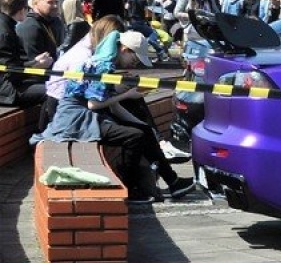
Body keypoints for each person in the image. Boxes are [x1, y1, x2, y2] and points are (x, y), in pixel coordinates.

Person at [35, 27, 196, 204]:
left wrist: (143, 124)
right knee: (134, 136)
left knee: (143, 130)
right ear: (124, 49)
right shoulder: (102, 65)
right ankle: (130, 188)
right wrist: (128, 95)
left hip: (88, 114)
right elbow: (93, 104)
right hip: (76, 119)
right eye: (134, 59)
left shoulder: (106, 64)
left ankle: (173, 182)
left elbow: (113, 104)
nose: (134, 64)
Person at [0, 0, 50, 111]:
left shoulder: (6, 26)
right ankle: (47, 129)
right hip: (7, 90)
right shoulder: (5, 32)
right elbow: (10, 71)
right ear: (22, 10)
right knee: (52, 91)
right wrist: (36, 66)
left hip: (7, 85)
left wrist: (34, 62)